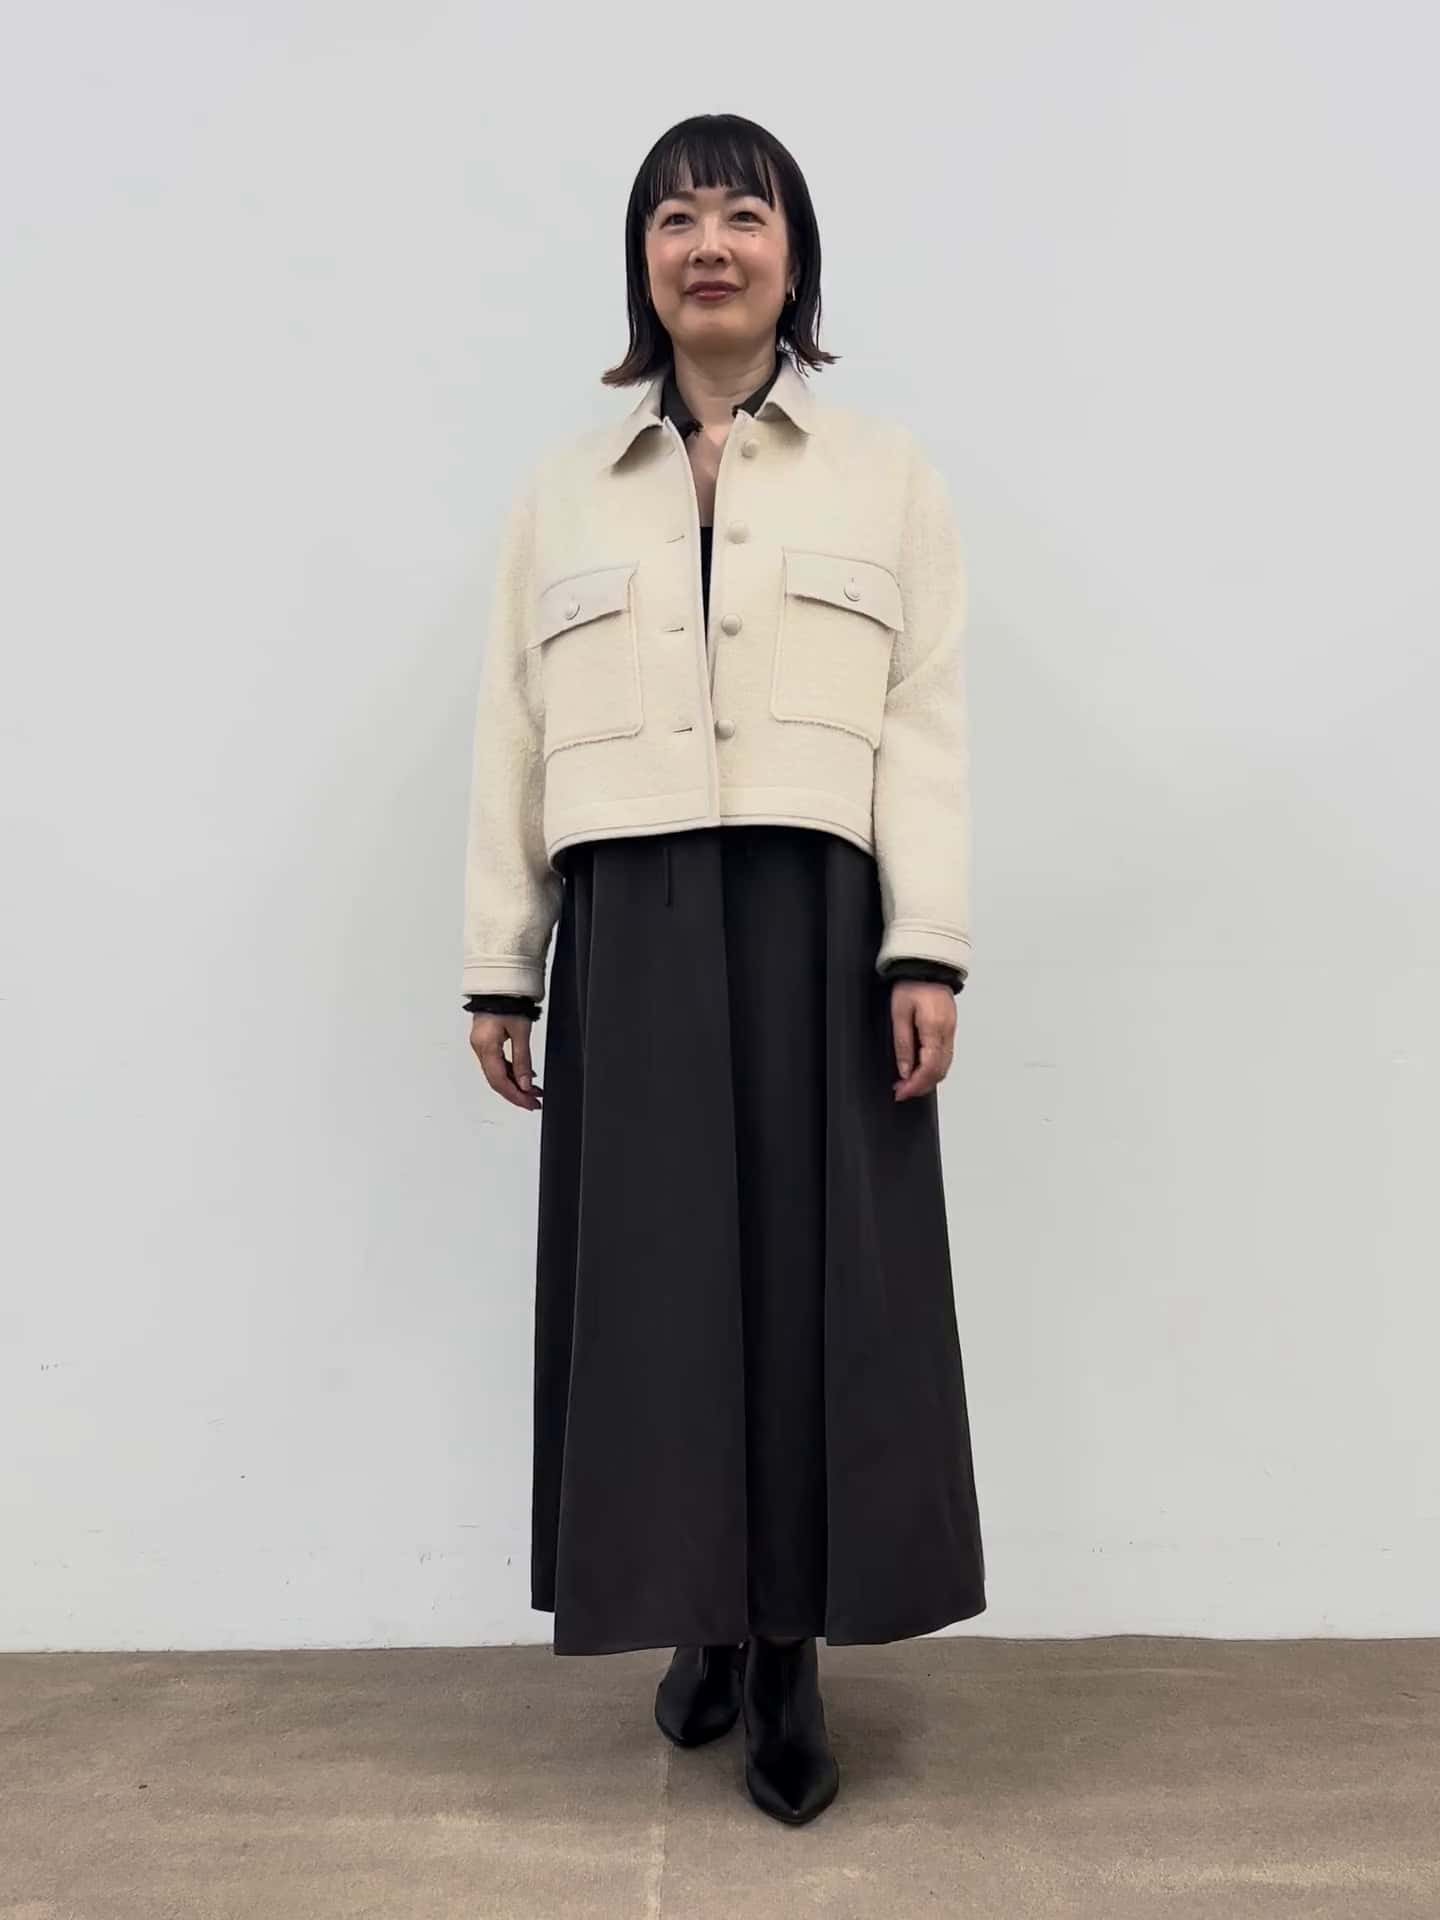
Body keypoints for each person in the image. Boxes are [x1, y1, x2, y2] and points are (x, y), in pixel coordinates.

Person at [460, 114, 985, 1827]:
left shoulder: (885, 476)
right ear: (642, 261)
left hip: (819, 914)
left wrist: (924, 944)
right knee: (659, 1292)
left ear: (790, 254)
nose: (709, 244)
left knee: (815, 1292)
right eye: (676, 216)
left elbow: (924, 722)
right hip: (631, 916)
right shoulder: (564, 492)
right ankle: (697, 1611)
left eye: (742, 215)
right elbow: (513, 729)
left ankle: (787, 1653)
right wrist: (503, 966)